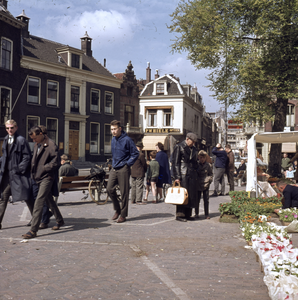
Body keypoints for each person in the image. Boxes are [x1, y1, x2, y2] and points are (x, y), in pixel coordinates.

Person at [22, 126, 64, 239]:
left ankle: (33, 230)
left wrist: (44, 168)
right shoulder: (37, 144)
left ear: (40, 134)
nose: (33, 141)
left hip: (47, 177)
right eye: (32, 139)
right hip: (37, 177)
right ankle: (59, 220)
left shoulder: (51, 145)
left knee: (39, 202)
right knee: (49, 200)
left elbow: (56, 162)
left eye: (35, 138)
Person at [0, 120, 33, 229]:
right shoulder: (5, 139)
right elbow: (5, 156)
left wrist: (19, 169)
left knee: (27, 196)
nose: (10, 130)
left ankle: (38, 217)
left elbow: (27, 157)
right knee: (3, 197)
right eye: (7, 128)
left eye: (12, 128)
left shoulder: (21, 140)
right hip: (7, 176)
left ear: (16, 127)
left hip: (18, 175)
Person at [107, 120, 139, 223]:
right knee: (109, 189)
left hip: (123, 169)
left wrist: (127, 164)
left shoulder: (127, 140)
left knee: (124, 192)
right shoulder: (113, 140)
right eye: (111, 129)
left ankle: (123, 215)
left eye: (115, 129)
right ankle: (117, 209)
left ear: (120, 129)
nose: (113, 132)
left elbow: (135, 153)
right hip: (114, 167)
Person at [172, 132, 198, 222]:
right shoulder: (179, 146)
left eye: (194, 142)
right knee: (181, 194)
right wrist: (177, 176)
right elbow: (176, 163)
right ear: (187, 139)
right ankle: (180, 214)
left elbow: (195, 162)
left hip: (191, 173)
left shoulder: (194, 149)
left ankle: (188, 214)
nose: (193, 143)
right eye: (192, 141)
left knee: (190, 195)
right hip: (183, 173)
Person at [195, 150, 213, 219]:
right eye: (200, 157)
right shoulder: (197, 165)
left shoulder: (208, 165)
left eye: (203, 157)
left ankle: (206, 214)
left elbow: (211, 174)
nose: (202, 159)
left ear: (205, 158)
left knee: (206, 200)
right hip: (198, 184)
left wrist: (209, 180)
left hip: (205, 184)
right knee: (197, 200)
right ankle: (197, 213)